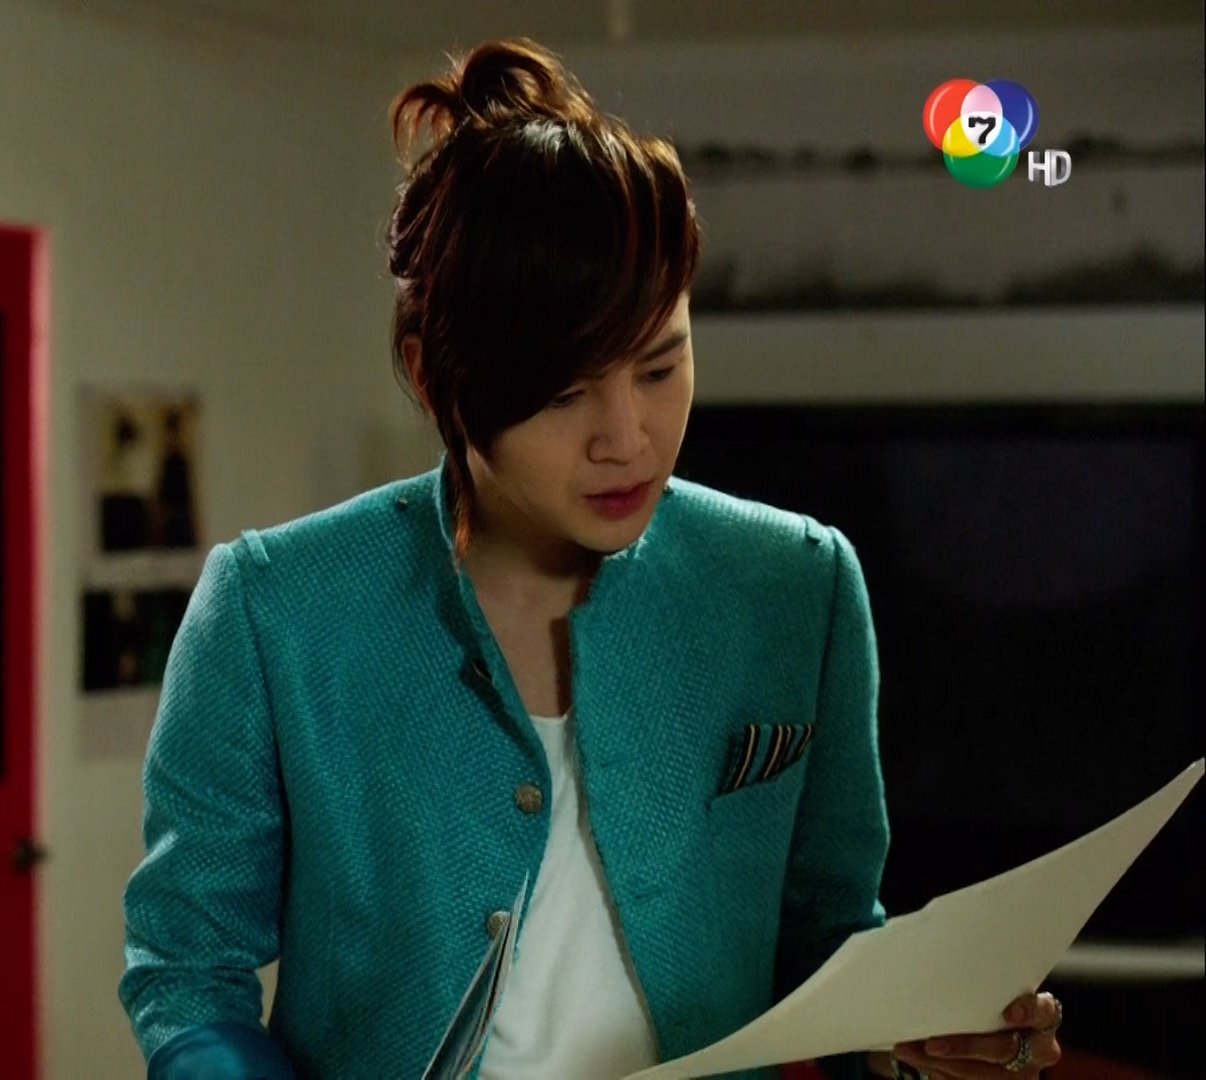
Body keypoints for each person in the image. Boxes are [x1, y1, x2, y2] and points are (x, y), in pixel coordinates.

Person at [119, 40, 1064, 1080]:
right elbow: (187, 966)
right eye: (566, 393)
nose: (629, 438)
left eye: (661, 367)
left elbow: (832, 938)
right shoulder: (277, 610)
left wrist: (927, 1042)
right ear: (433, 377)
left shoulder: (797, 587)